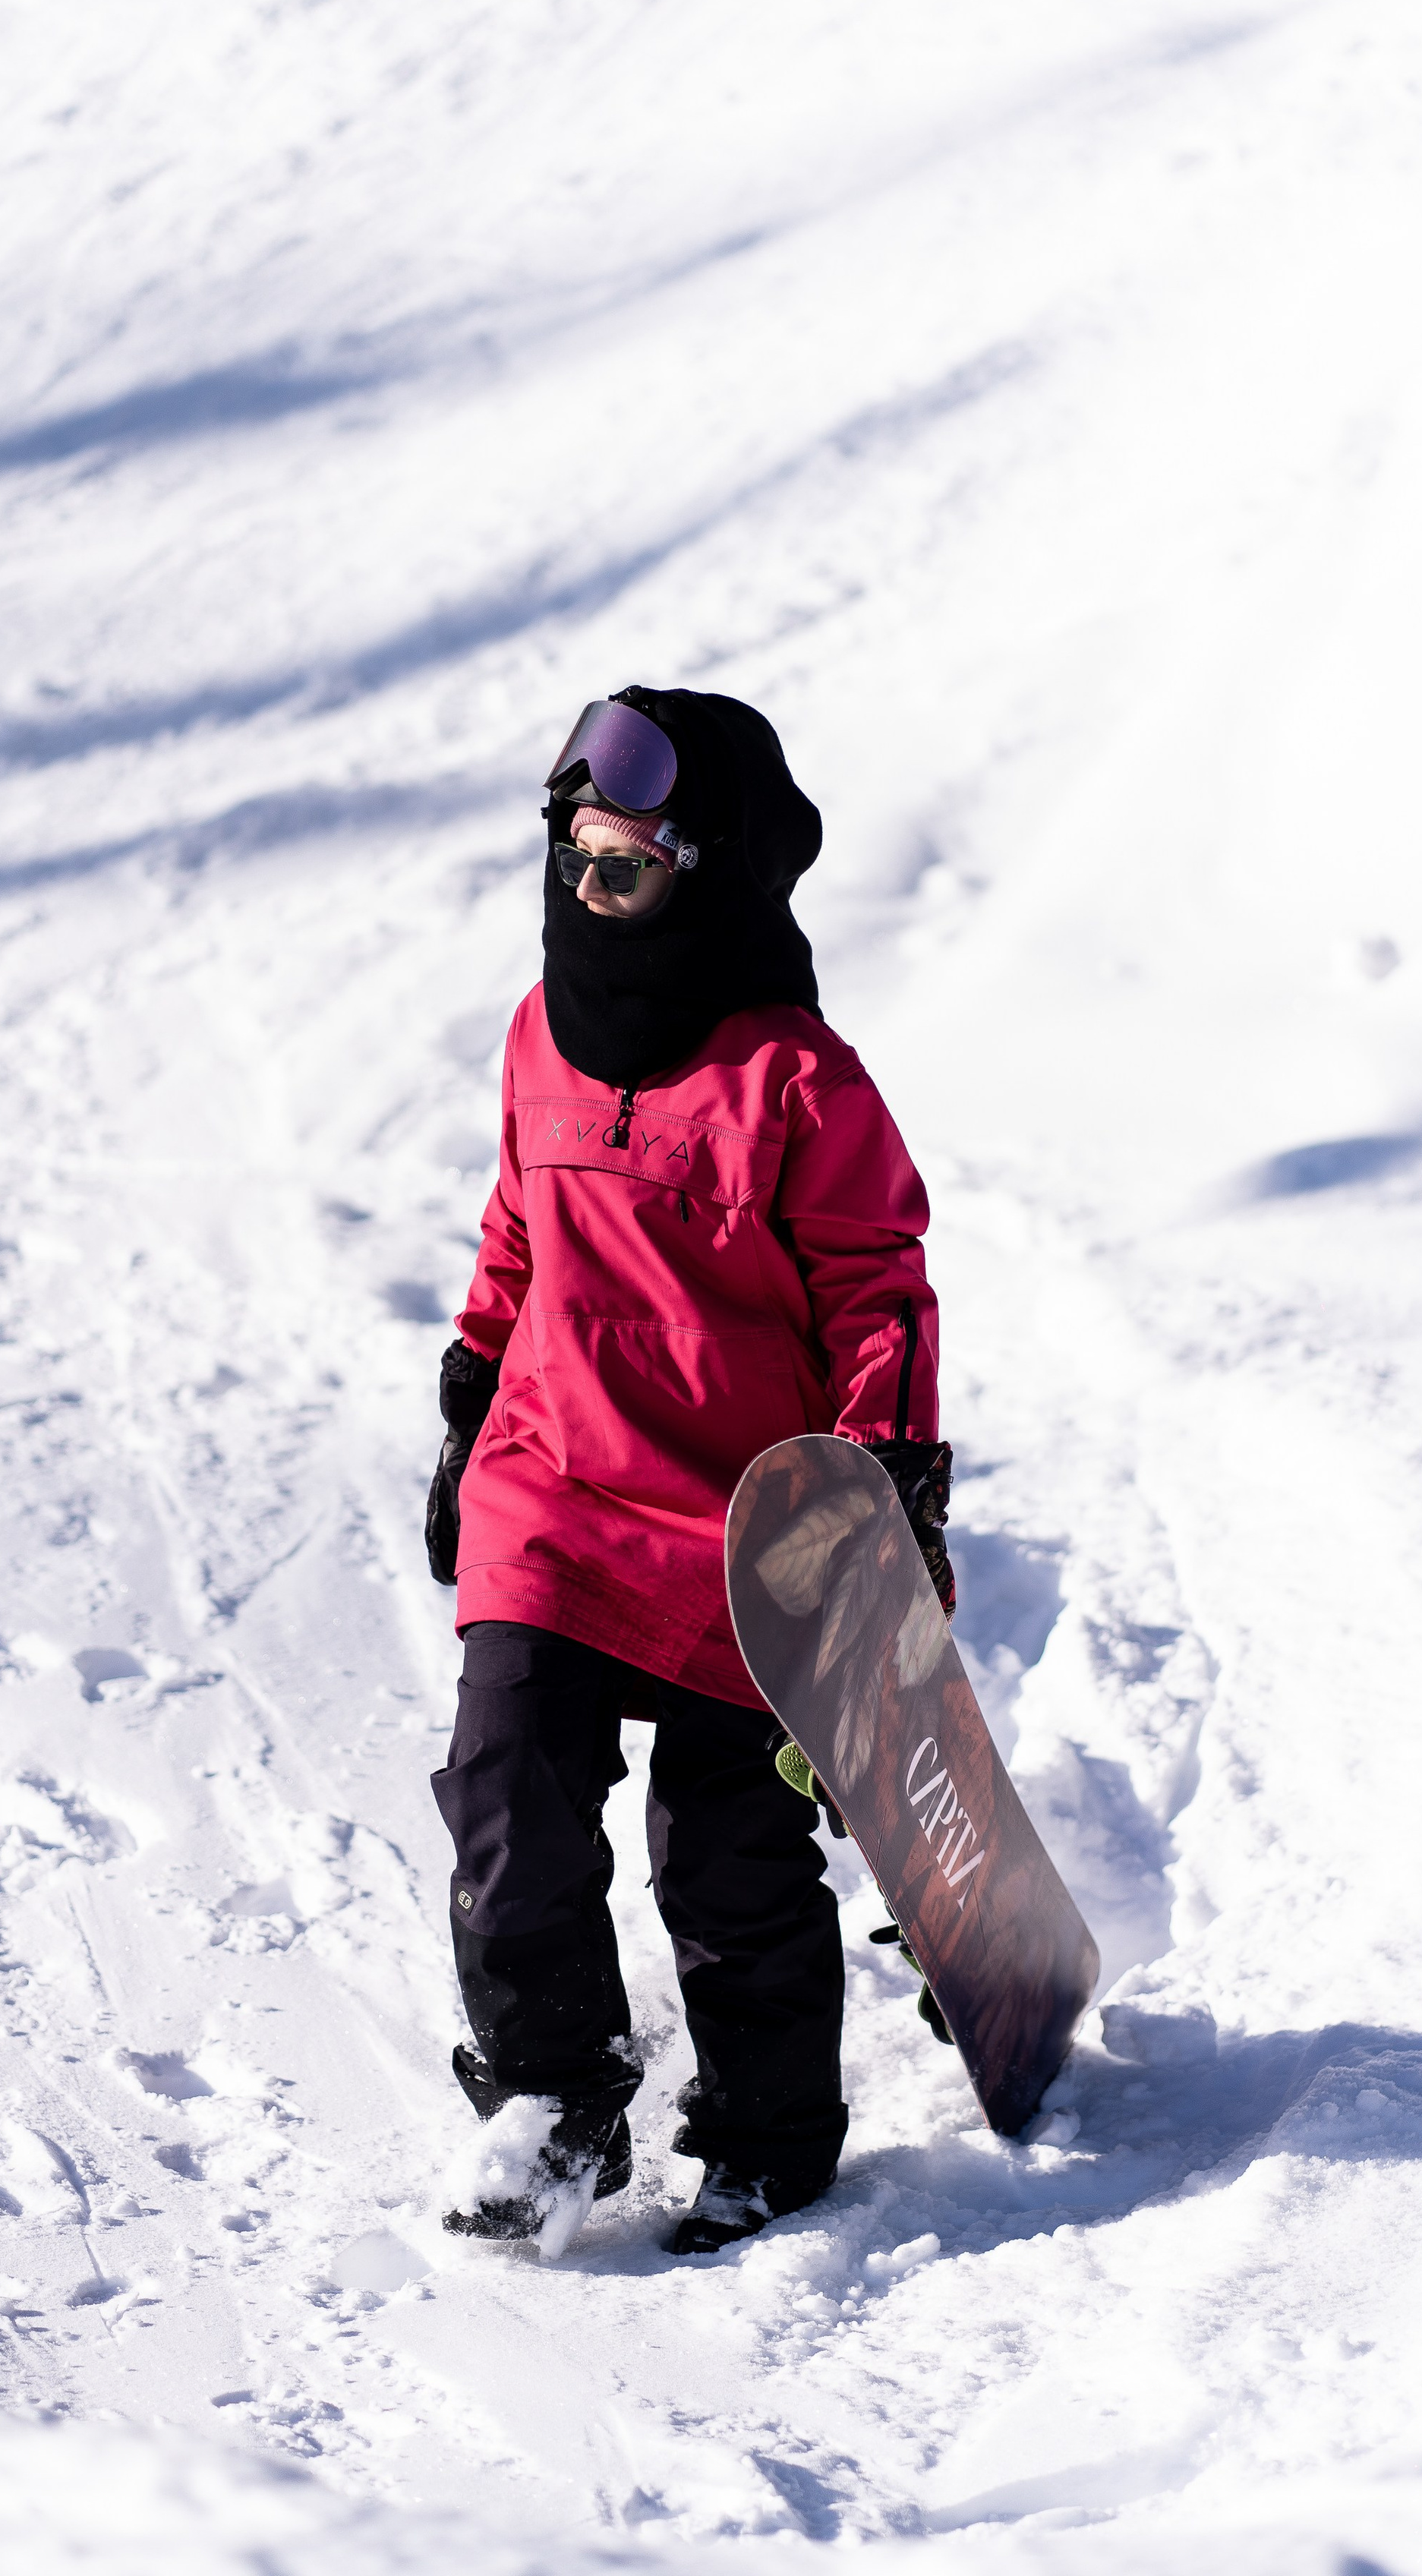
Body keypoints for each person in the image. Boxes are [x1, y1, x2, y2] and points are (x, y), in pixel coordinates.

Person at [425, 686, 954, 2253]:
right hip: (552, 1486)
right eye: (573, 862)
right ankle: (552, 2097)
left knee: (723, 1858)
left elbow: (881, 1287)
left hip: (743, 1525)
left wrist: (883, 1482)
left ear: (705, 871)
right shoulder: (539, 1035)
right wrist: (469, 1391)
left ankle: (768, 2135)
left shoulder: (799, 1081)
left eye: (627, 869)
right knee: (506, 1795)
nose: (590, 896)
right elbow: (518, 1232)